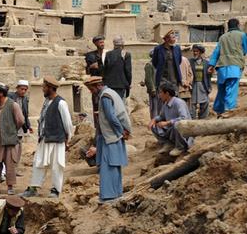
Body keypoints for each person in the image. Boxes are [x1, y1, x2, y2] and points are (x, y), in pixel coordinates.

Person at [22, 76, 73, 199]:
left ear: (50, 88)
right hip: (45, 138)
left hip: (57, 139)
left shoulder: (61, 103)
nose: (43, 89)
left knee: (57, 165)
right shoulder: (46, 102)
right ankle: (34, 187)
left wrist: (68, 139)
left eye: (44, 87)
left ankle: (55, 190)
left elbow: (68, 124)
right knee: (38, 163)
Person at [84, 76, 130, 204]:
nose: (91, 92)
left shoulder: (105, 96)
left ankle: (109, 196)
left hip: (111, 136)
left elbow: (111, 117)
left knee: (108, 165)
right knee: (114, 164)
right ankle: (116, 193)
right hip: (114, 135)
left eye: (91, 89)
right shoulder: (111, 93)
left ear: (98, 86)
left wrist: (120, 132)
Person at [0, 82, 25, 195]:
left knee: (10, 164)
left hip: (9, 139)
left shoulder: (13, 105)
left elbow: (20, 121)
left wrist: (11, 129)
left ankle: (10, 187)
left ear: (1, 93)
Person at [208, 18, 247, 116]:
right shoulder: (242, 35)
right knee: (231, 88)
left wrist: (211, 65)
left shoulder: (222, 37)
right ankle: (229, 109)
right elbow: (245, 49)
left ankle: (218, 109)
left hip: (222, 67)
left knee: (221, 89)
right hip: (234, 66)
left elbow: (216, 52)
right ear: (238, 25)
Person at [150, 82, 194, 157]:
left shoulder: (179, 103)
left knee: (177, 125)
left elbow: (183, 118)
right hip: (171, 129)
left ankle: (180, 147)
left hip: (183, 131)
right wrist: (154, 120)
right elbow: (161, 116)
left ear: (167, 93)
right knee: (154, 126)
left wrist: (168, 122)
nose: (159, 95)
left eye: (160, 92)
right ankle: (168, 144)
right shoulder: (166, 104)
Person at [102, 36, 132, 101]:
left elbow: (105, 70)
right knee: (120, 105)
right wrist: (128, 83)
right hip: (121, 85)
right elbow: (128, 71)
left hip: (109, 85)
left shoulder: (108, 54)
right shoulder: (126, 54)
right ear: (122, 44)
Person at [189, 44, 211, 119]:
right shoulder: (190, 62)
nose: (195, 53)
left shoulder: (206, 63)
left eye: (197, 51)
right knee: (192, 103)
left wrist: (209, 86)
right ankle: (193, 120)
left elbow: (209, 76)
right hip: (193, 85)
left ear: (201, 52)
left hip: (203, 85)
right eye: (194, 51)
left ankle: (203, 119)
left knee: (205, 102)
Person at [141, 49, 157, 118]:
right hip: (154, 91)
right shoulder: (149, 65)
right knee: (154, 108)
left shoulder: (158, 65)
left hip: (160, 90)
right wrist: (152, 89)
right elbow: (148, 78)